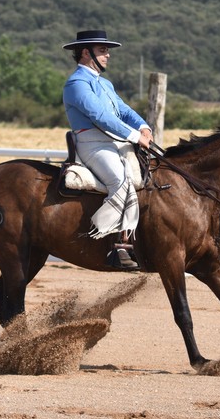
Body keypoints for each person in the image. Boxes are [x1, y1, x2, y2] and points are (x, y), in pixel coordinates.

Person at [62, 30, 153, 270]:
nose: (108, 55)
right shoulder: (76, 84)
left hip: (115, 142)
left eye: (106, 51)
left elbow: (122, 111)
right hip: (92, 144)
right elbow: (100, 116)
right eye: (103, 50)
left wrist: (143, 126)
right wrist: (134, 136)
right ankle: (116, 246)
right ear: (85, 52)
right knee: (120, 182)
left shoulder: (105, 84)